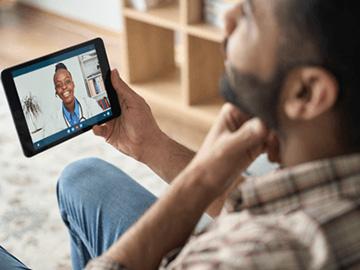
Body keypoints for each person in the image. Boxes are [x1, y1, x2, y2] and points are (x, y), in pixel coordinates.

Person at [1, 0, 360, 269]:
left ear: (307, 93)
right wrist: (153, 146)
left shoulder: (247, 256)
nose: (227, 16)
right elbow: (270, 204)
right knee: (81, 177)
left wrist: (200, 179)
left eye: (250, 13)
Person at [53, 63, 87, 127]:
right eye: (59, 85)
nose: (64, 87)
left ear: (73, 84)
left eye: (67, 81)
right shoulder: (53, 122)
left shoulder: (91, 104)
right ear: (56, 91)